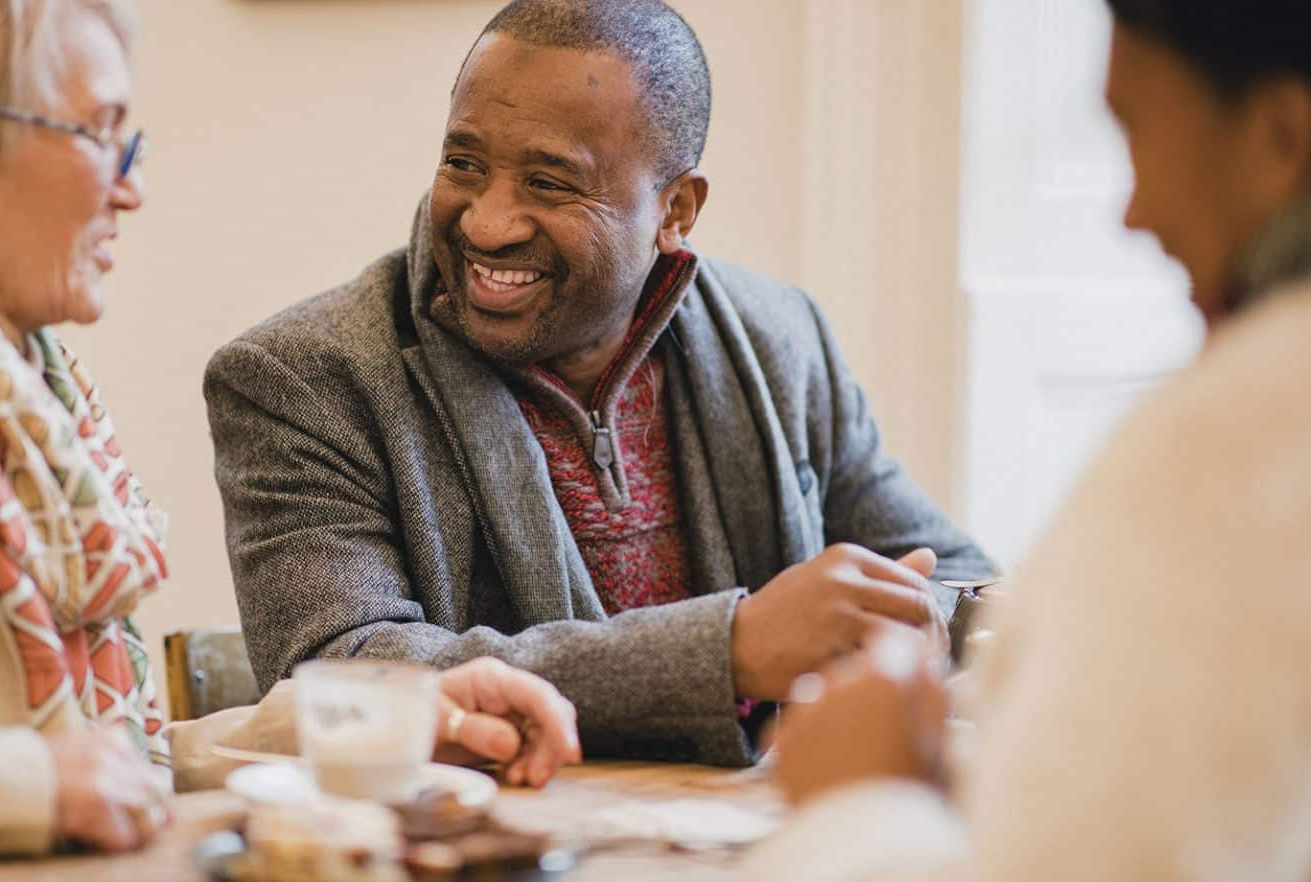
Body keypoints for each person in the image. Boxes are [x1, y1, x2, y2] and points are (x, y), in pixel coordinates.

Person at [0, 0, 576, 865]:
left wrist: (387, 723)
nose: (132, 184)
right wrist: (17, 785)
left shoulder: (13, 392)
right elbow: (26, 772)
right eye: (98, 131)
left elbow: (101, 760)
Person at [206, 0, 995, 771]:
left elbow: (945, 578)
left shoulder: (781, 337)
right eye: (464, 163)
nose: (488, 222)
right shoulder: (300, 378)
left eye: (550, 183)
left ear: (675, 209)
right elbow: (339, 671)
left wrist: (932, 621)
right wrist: (728, 651)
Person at [743, 1, 1311, 879]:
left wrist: (858, 797)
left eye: (1135, 130)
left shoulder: (1248, 446)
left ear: (1278, 140)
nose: (1134, 211)